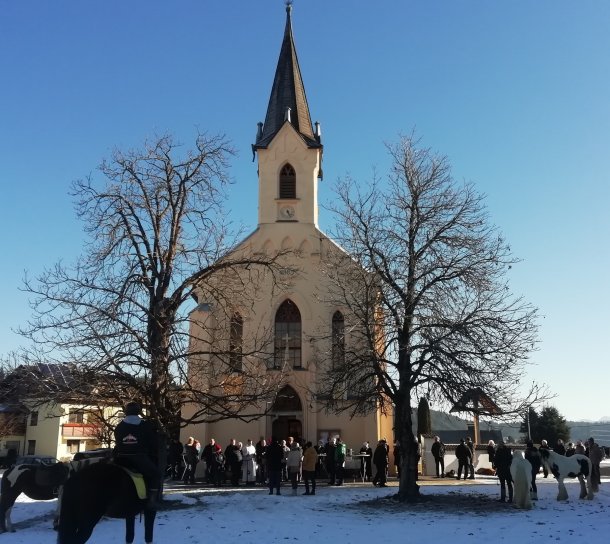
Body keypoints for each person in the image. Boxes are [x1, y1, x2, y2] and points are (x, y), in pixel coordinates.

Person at [113, 401, 160, 507]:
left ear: (126, 412)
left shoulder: (119, 426)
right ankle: (152, 500)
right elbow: (152, 443)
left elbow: (118, 442)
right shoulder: (145, 425)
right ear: (138, 412)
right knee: (155, 474)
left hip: (121, 457)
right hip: (139, 458)